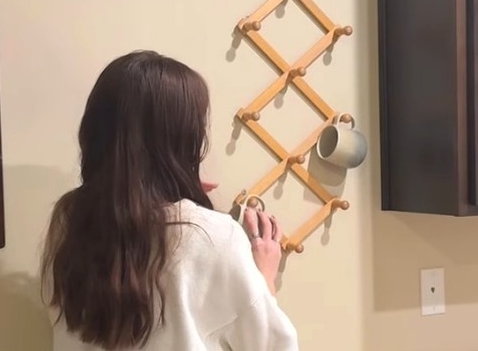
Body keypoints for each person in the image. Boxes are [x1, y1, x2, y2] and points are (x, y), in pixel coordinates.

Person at [40, 50, 299, 350]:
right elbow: (273, 345)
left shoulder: (69, 220)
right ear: (185, 140)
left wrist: (165, 193)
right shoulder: (213, 235)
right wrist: (264, 274)